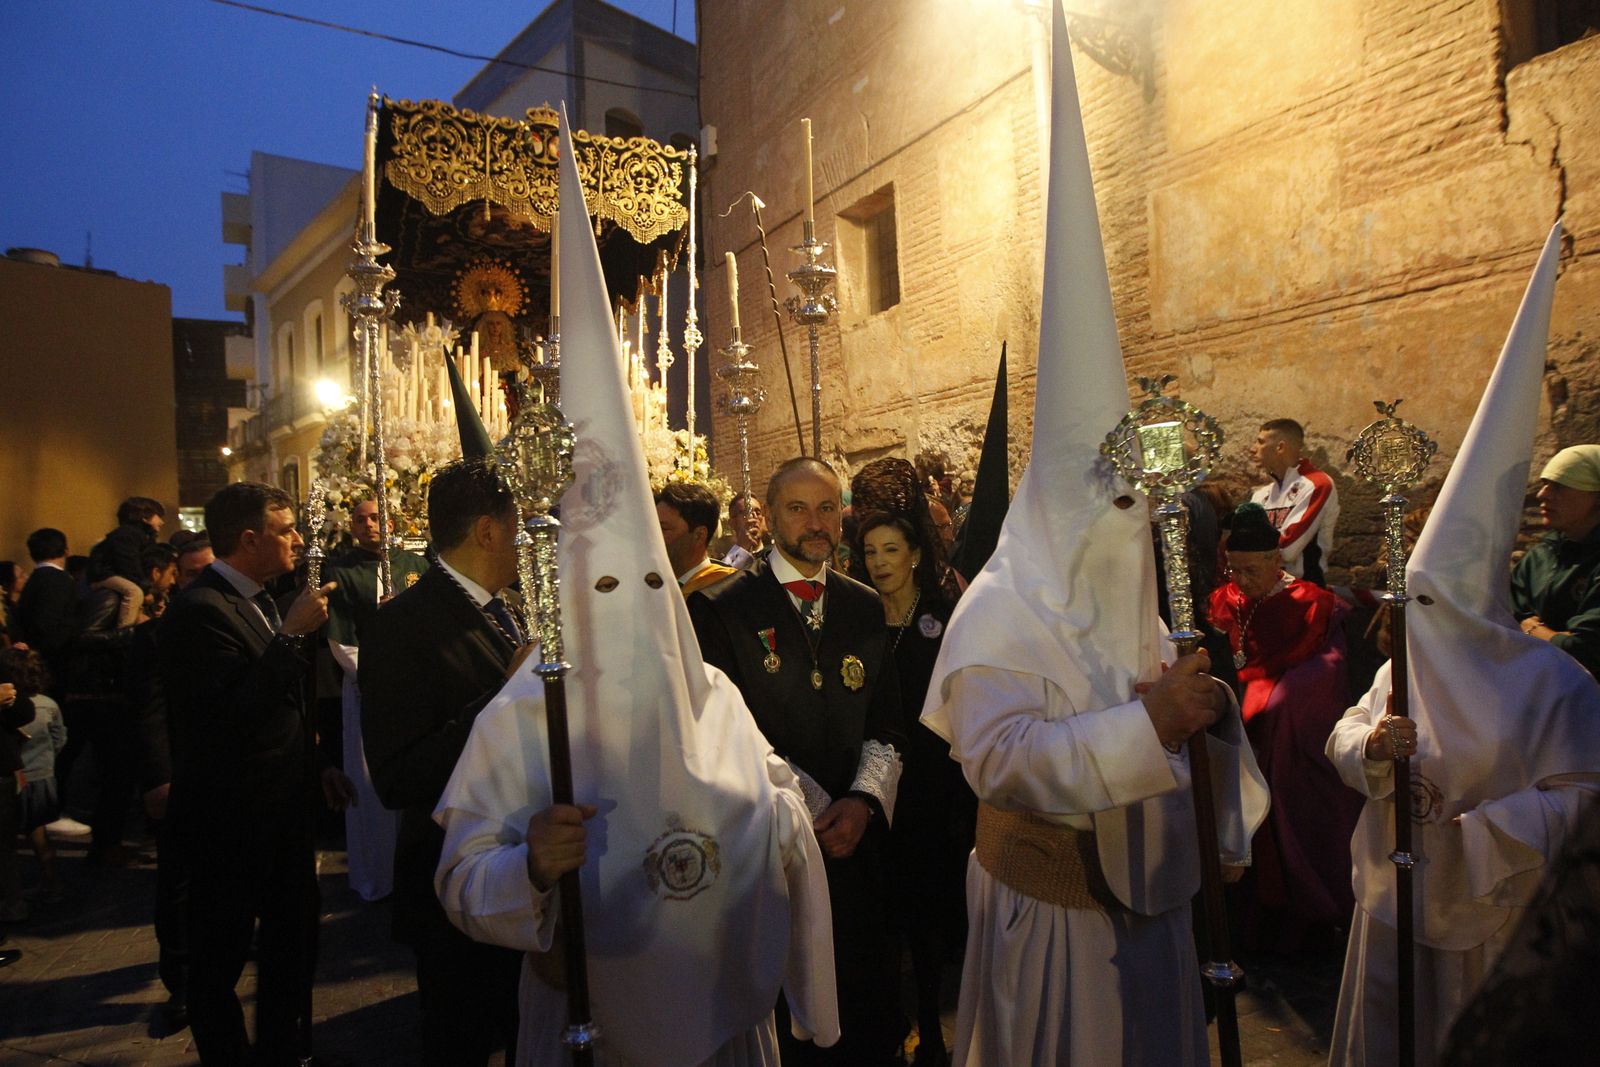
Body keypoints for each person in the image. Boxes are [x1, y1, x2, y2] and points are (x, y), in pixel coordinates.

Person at [436, 158, 838, 1064]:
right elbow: (462, 879)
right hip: (592, 1021)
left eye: (650, 584)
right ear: (568, 600)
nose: (636, 608)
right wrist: (530, 864)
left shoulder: (713, 696)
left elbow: (784, 803)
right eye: (607, 590)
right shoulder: (522, 714)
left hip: (722, 1015)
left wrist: (779, 818)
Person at [920, 15, 1266, 1064]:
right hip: (1052, 918)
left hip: (1156, 905)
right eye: (1113, 507)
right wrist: (1150, 722)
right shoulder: (997, 610)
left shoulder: (1128, 595)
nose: (1132, 529)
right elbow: (1003, 759)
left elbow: (1179, 709)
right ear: (1065, 508)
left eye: (1142, 508)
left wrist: (1210, 742)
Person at [1326, 222, 1600, 1065]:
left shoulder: (1554, 682)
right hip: (1393, 901)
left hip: (1493, 913)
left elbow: (1584, 798)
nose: (1413, 622)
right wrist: (1373, 746)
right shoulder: (1401, 666)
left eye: (1429, 604)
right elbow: (1343, 734)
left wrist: (1480, 827)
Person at [690, 456, 906, 1066]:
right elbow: (718, 733)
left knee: (863, 1001)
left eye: (828, 507)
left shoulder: (866, 606)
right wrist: (812, 805)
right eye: (798, 508)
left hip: (859, 846)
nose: (816, 522)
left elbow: (887, 723)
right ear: (769, 514)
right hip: (773, 841)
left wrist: (862, 803)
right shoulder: (722, 608)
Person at [157, 481, 343, 1065]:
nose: (298, 540)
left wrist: (320, 766)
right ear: (248, 538)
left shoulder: (259, 595)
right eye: (285, 530)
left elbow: (287, 709)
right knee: (219, 961)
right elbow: (232, 714)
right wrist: (290, 637)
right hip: (230, 822)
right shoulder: (201, 610)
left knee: (293, 950)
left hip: (282, 815)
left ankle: (282, 1053)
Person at [360, 458, 527, 1065]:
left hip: (520, 865)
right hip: (450, 881)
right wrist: (503, 695)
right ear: (487, 531)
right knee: (460, 1040)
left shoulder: (508, 610)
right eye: (519, 527)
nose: (524, 542)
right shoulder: (401, 627)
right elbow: (398, 776)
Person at [1209, 502, 1360, 951]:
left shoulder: (1309, 604)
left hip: (1283, 720)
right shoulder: (1228, 598)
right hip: (1238, 708)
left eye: (1252, 570)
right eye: (1234, 569)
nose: (1241, 581)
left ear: (1276, 562)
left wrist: (1277, 701)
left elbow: (1329, 665)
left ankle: (1300, 909)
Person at [857, 510, 972, 1067]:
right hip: (879, 781)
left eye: (891, 551)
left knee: (928, 912)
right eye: (871, 552)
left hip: (933, 784)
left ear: (916, 556)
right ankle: (889, 1023)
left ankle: (932, 1025)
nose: (879, 563)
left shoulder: (944, 618)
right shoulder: (855, 618)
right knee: (884, 911)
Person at [324, 497, 428, 902]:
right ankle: (378, 874)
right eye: (361, 519)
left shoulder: (415, 564)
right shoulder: (343, 572)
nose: (369, 525)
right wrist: (380, 675)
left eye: (376, 516)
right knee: (371, 783)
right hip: (369, 688)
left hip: (418, 689)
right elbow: (341, 641)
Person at [1511, 443, 1600, 676]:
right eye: (1545, 485)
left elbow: (1584, 649)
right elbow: (1506, 625)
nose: (1543, 495)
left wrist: (1531, 628)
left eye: (1559, 486)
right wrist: (1554, 636)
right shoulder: (1539, 557)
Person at [2, 647, 66, 903]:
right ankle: (52, 883)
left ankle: (13, 893)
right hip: (43, 777)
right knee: (40, 836)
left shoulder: (10, 708)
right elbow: (59, 737)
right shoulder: (48, 705)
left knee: (9, 841)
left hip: (19, 777)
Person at [1249, 418, 1340, 586]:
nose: (1252, 449)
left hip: (1303, 589)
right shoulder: (1261, 494)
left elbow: (1288, 550)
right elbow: (1242, 544)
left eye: (1260, 442)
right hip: (1263, 587)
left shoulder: (1317, 484)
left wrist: (1253, 550)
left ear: (1280, 447)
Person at [88, 495, 167, 627]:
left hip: (110, 573)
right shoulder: (128, 535)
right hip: (103, 574)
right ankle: (126, 629)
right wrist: (146, 590)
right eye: (158, 516)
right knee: (134, 592)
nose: (161, 522)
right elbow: (129, 565)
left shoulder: (139, 535)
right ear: (144, 516)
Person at [16, 528, 76, 700]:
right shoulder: (59, 580)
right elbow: (49, 623)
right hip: (54, 659)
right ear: (66, 551)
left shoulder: (34, 579)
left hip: (33, 655)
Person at [655, 481, 737, 595]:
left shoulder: (727, 587)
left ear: (699, 535)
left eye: (664, 529)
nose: (654, 537)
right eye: (653, 528)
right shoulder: (651, 586)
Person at [724, 491, 768, 570]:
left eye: (758, 512)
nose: (754, 516)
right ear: (732, 523)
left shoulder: (773, 555)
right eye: (747, 512)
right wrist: (741, 549)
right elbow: (724, 579)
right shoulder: (724, 562)